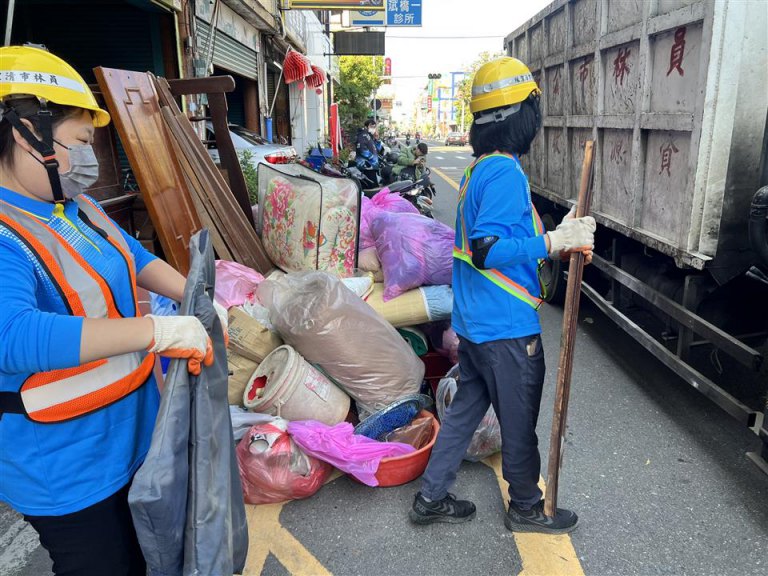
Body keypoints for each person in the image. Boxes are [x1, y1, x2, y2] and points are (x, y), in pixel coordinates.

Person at [0, 46, 225, 575]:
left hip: (133, 437)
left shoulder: (78, 208)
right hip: (66, 467)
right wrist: (157, 331)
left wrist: (209, 300)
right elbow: (11, 335)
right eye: (80, 141)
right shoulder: (6, 232)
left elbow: (138, 258)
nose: (89, 158)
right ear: (25, 132)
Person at [409, 57, 595, 534]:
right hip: (506, 330)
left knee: (466, 412)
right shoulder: (505, 174)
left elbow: (497, 240)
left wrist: (559, 235)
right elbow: (489, 249)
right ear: (523, 116)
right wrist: (554, 242)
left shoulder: (479, 170)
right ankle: (527, 507)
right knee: (517, 423)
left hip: (475, 326)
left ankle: (431, 496)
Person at [355, 118, 380, 186]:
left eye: (374, 127)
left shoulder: (370, 136)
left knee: (374, 186)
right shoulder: (362, 135)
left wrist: (377, 140)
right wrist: (372, 157)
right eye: (371, 126)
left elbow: (378, 149)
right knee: (370, 187)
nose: (373, 128)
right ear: (366, 126)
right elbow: (362, 149)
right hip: (366, 166)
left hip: (372, 166)